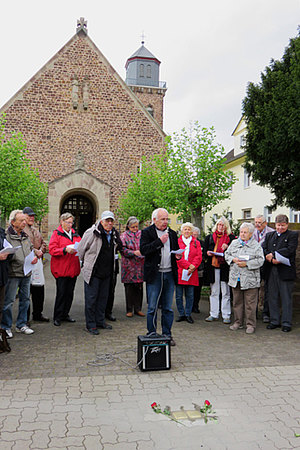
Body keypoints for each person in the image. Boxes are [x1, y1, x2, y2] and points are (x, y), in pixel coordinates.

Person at [77, 211, 123, 335]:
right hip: (93, 272)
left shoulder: (113, 234)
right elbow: (81, 249)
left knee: (103, 299)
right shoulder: (91, 233)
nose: (109, 223)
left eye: (111, 221)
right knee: (91, 299)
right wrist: (85, 264)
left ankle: (100, 321)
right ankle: (90, 325)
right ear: (101, 221)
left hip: (107, 272)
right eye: (107, 220)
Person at [140, 208, 180, 346]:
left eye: (166, 219)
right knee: (152, 307)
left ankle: (167, 334)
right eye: (162, 219)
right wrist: (159, 241)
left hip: (169, 273)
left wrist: (178, 255)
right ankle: (151, 333)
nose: (165, 222)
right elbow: (144, 250)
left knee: (168, 308)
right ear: (154, 219)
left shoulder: (173, 234)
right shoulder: (147, 232)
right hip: (155, 274)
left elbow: (175, 251)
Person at [1, 210, 38, 338]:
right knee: (9, 301)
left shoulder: (25, 235)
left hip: (26, 273)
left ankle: (21, 324)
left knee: (25, 299)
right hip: (13, 273)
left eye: (24, 220)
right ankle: (6, 326)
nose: (24, 222)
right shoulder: (7, 236)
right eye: (21, 220)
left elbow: (29, 249)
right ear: (13, 222)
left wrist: (33, 256)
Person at [225, 222, 264, 334]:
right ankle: (238, 322)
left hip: (250, 280)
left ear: (251, 234)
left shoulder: (256, 245)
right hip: (236, 278)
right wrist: (233, 259)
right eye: (241, 232)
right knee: (237, 302)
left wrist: (247, 264)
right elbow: (227, 254)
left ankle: (250, 324)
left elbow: (261, 260)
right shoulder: (234, 243)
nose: (242, 234)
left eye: (245, 232)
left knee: (250, 304)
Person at [262, 214, 298, 332]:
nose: (280, 228)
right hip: (271, 269)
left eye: (283, 226)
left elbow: (290, 249)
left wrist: (273, 254)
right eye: (278, 225)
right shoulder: (269, 235)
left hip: (285, 271)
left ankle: (286, 323)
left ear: (287, 225)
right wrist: (271, 258)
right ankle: (274, 320)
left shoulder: (292, 235)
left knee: (286, 297)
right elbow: (264, 249)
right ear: (275, 224)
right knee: (272, 296)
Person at [48, 212, 81, 327]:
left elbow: (81, 246)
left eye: (71, 222)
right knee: (61, 293)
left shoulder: (75, 234)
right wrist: (64, 250)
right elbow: (52, 250)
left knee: (69, 294)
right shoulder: (56, 234)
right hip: (61, 269)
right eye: (68, 222)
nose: (70, 224)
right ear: (61, 222)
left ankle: (65, 314)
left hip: (73, 269)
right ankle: (57, 316)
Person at [204, 217, 235, 324]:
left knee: (226, 292)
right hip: (213, 267)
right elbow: (204, 252)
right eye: (219, 225)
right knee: (214, 291)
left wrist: (227, 247)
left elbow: (233, 253)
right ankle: (214, 313)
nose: (220, 227)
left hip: (224, 268)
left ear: (226, 226)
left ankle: (226, 315)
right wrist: (208, 253)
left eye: (223, 225)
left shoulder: (231, 238)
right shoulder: (210, 237)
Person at [23, 207, 49, 322]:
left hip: (37, 262)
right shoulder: (22, 230)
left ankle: (38, 314)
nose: (31, 218)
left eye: (33, 216)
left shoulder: (35, 229)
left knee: (39, 289)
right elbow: (24, 245)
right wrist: (35, 250)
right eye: (29, 216)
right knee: (27, 291)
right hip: (27, 263)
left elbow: (43, 243)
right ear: (23, 216)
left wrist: (41, 250)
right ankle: (25, 317)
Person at [175, 222, 202, 324]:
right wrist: (187, 266)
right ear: (182, 231)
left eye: (189, 229)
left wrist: (193, 267)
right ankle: (181, 314)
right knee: (178, 295)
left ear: (192, 231)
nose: (187, 231)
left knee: (190, 295)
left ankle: (188, 314)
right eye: (185, 229)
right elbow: (177, 257)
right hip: (180, 271)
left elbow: (198, 256)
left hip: (192, 272)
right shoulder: (177, 242)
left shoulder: (196, 242)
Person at [120, 216, 145, 318]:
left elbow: (145, 246)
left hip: (139, 265)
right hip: (128, 266)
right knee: (129, 288)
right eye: (133, 227)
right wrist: (133, 252)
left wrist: (142, 252)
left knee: (139, 288)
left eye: (136, 227)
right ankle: (129, 309)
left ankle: (138, 308)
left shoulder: (141, 235)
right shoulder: (124, 236)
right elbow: (122, 249)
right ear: (129, 227)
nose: (135, 229)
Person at [253, 214, 274, 322]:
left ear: (265, 223)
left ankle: (266, 313)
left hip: (266, 264)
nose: (257, 224)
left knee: (267, 289)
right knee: (254, 289)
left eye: (259, 222)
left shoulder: (271, 232)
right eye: (256, 222)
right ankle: (253, 312)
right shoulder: (252, 232)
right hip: (254, 264)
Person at [192, 226, 205, 314]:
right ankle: (190, 306)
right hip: (190, 269)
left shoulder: (202, 243)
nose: (195, 236)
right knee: (190, 289)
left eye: (196, 235)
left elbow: (203, 256)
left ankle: (196, 305)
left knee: (197, 289)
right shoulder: (188, 243)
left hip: (199, 269)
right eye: (193, 234)